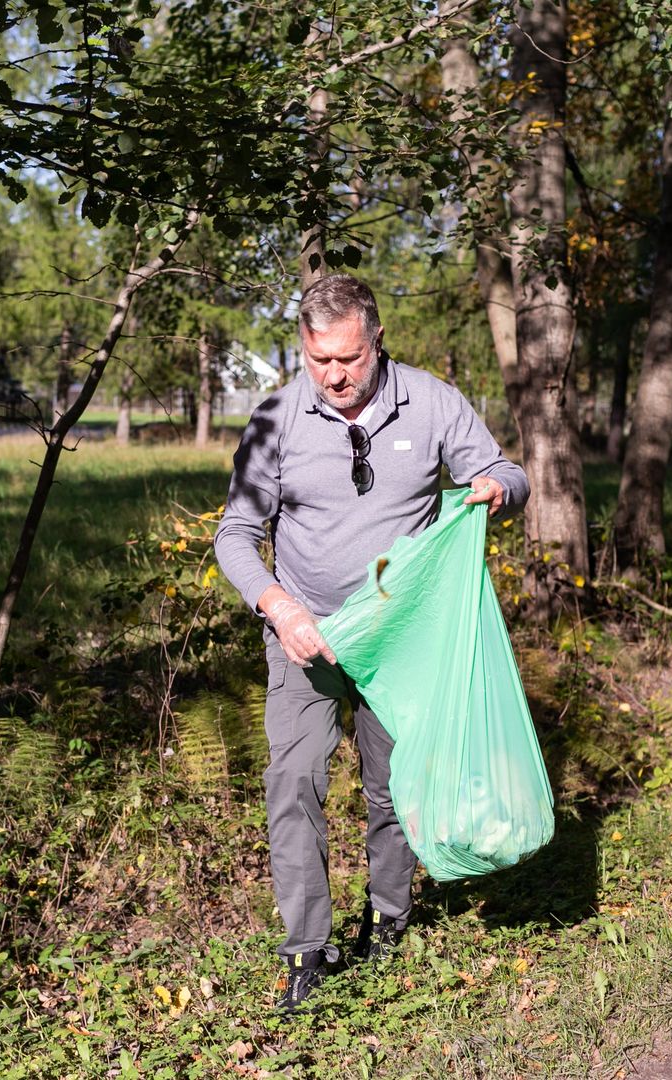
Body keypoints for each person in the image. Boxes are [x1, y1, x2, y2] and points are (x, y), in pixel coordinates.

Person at [212, 273, 529, 1011]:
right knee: (293, 784)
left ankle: (388, 915)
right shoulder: (275, 420)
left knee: (392, 789)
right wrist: (279, 607)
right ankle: (306, 951)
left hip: (401, 633)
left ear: (376, 340)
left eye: (349, 359)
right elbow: (235, 534)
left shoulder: (433, 400)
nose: (335, 376)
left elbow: (505, 471)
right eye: (319, 360)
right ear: (302, 348)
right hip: (307, 634)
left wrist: (497, 491)